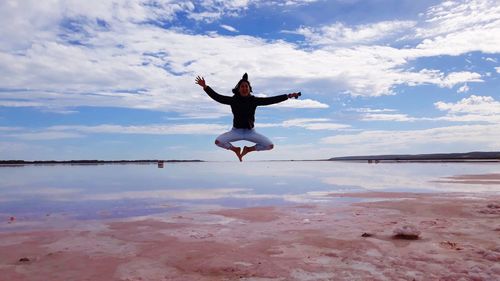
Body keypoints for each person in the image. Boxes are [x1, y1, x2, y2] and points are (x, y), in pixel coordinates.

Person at [195, 73, 301, 161]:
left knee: (269, 146)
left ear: (249, 89)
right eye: (242, 86)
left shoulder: (254, 100)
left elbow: (271, 100)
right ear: (238, 89)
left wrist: (288, 96)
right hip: (235, 131)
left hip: (251, 132)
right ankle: (235, 149)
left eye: (246, 86)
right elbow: (218, 97)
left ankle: (248, 150)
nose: (244, 88)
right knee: (218, 142)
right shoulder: (233, 100)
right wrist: (205, 87)